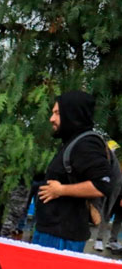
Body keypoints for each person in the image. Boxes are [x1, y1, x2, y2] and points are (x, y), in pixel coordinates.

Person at [34, 91, 114, 252]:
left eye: (57, 113)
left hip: (62, 238)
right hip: (51, 231)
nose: (51, 119)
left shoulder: (86, 144)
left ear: (72, 114)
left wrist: (61, 190)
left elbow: (102, 185)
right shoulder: (72, 142)